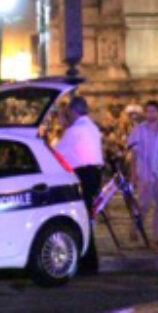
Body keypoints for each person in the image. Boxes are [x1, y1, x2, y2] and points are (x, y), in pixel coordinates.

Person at [54, 96, 104, 274]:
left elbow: (58, 153)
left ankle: (87, 261)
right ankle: (89, 261)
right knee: (86, 217)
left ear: (74, 111)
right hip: (94, 174)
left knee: (80, 218)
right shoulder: (91, 127)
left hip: (82, 175)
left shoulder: (75, 131)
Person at [127, 100, 158, 246]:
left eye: (153, 111)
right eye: (148, 111)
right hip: (145, 173)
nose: (150, 114)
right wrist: (133, 174)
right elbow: (134, 153)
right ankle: (135, 228)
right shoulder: (139, 130)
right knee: (143, 205)